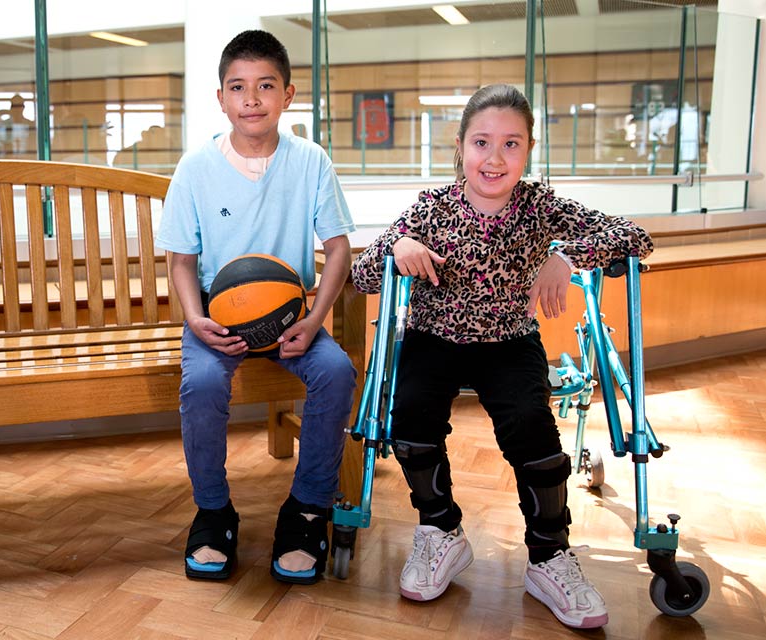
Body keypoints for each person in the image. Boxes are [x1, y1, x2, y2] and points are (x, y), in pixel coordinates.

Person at [351, 83, 653, 629]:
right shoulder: (433, 206)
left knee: (530, 423)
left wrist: (566, 255)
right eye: (482, 142)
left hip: (510, 339)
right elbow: (362, 274)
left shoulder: (540, 206)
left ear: (529, 150)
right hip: (433, 335)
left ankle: (548, 555)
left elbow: (633, 235)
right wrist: (396, 246)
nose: (495, 158)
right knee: (411, 412)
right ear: (461, 147)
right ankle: (440, 531)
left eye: (511, 144)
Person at [155, 30, 357, 585]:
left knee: (338, 372)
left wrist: (315, 319)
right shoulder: (194, 168)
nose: (251, 98)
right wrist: (195, 319)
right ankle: (214, 511)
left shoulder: (311, 161)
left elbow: (338, 249)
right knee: (200, 385)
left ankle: (307, 510)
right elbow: (180, 259)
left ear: (287, 95)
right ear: (220, 98)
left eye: (265, 85)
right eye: (238, 87)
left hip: (292, 322)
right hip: (216, 323)